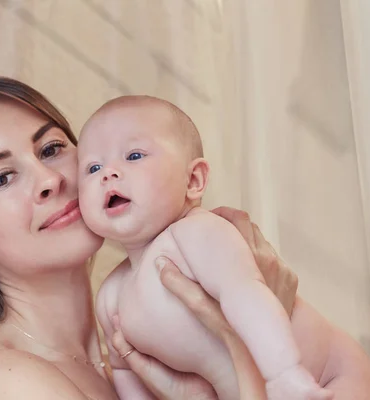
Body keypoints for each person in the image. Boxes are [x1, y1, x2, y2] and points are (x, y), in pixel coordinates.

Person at [0, 76, 370, 400]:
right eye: (1, 178)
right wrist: (241, 356)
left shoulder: (131, 342)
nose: (50, 180)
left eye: (51, 149)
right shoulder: (15, 383)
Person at [77, 95, 333, 399]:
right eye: (93, 168)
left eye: (133, 156)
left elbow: (245, 291)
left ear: (194, 180)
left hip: (330, 375)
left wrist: (284, 374)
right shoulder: (110, 295)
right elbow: (124, 370)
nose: (109, 173)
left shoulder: (196, 233)